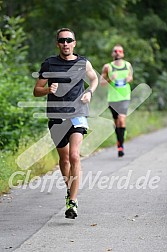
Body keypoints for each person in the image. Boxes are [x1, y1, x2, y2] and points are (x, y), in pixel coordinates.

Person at [33, 28, 98, 219]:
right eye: (62, 41)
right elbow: (36, 90)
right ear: (58, 44)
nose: (66, 44)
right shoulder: (49, 64)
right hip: (56, 116)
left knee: (75, 156)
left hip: (78, 113)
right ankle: (70, 190)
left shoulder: (83, 62)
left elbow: (93, 79)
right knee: (65, 160)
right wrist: (47, 90)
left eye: (69, 40)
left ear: (74, 43)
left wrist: (89, 92)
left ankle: (73, 201)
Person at [100, 44, 133, 157]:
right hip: (113, 99)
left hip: (124, 97)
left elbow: (130, 77)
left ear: (123, 53)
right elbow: (102, 83)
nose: (118, 52)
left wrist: (128, 79)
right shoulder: (107, 67)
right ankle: (120, 137)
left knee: (121, 119)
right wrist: (110, 79)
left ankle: (121, 146)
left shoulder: (127, 65)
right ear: (112, 53)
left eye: (120, 51)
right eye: (115, 51)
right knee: (116, 123)